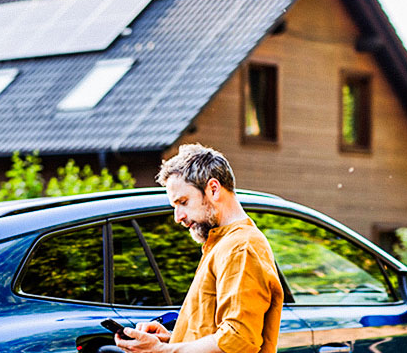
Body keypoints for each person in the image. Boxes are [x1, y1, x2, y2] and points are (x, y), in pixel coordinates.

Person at [116, 144, 283, 353]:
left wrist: (160, 351)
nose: (178, 218)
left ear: (213, 189)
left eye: (183, 202)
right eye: (174, 206)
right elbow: (216, 332)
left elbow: (237, 340)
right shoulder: (222, 243)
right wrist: (171, 339)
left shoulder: (241, 247)